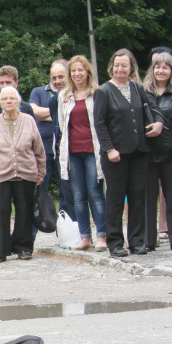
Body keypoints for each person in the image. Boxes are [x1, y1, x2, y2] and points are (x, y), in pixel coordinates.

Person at [94, 48, 164, 257]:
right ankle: (115, 243)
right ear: (111, 67)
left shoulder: (137, 88)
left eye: (124, 65)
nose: (120, 69)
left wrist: (158, 123)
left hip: (139, 150)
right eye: (117, 65)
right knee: (115, 198)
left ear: (131, 67)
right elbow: (99, 123)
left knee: (137, 196)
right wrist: (109, 148)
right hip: (115, 153)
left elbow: (152, 108)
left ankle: (137, 241)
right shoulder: (104, 91)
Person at [0, 66, 42, 255]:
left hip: (26, 173)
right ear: (0, 102)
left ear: (18, 101)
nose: (8, 101)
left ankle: (23, 248)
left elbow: (39, 149)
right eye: (4, 98)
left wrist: (41, 172)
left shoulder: (29, 119)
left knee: (24, 212)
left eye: (12, 98)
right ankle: (0, 250)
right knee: (0, 213)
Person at [55, 55, 107, 251]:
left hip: (93, 150)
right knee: (78, 195)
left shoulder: (97, 93)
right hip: (73, 151)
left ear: (88, 72)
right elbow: (61, 123)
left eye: (80, 70)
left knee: (95, 192)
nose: (77, 74)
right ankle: (85, 237)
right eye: (73, 71)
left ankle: (102, 235)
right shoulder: (64, 96)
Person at [143, 52, 172, 250]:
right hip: (148, 154)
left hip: (171, 154)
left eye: (165, 67)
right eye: (157, 67)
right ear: (152, 70)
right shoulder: (144, 94)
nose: (161, 71)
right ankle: (149, 240)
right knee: (148, 199)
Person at [30, 60, 74, 220]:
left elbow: (74, 115)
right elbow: (34, 112)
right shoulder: (38, 92)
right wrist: (59, 113)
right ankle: (31, 235)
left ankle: (66, 232)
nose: (57, 81)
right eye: (54, 77)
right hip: (43, 151)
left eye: (61, 77)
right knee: (37, 193)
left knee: (67, 194)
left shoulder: (74, 94)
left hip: (66, 152)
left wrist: (48, 114)